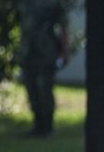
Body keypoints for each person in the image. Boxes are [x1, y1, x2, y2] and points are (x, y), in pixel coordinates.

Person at [17, 0, 71, 138]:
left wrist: (64, 51)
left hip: (45, 50)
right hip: (28, 50)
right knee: (31, 87)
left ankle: (47, 126)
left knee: (44, 87)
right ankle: (37, 124)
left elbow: (63, 25)